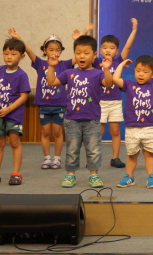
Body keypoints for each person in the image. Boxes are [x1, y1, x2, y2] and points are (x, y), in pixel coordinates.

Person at [10, 26, 87, 170]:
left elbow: (80, 56)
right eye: (51, 50)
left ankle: (57, 158)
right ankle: (47, 158)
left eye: (57, 50)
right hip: (43, 104)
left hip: (59, 104)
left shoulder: (65, 64)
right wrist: (18, 38)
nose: (54, 53)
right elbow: (29, 51)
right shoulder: (40, 64)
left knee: (58, 132)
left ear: (61, 51)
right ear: (45, 51)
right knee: (45, 132)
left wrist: (78, 40)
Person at [45, 35, 114, 188]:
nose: (82, 56)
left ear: (94, 55)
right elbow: (51, 82)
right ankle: (70, 174)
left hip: (92, 118)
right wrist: (52, 66)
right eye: (78, 53)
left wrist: (106, 69)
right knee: (72, 148)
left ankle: (94, 175)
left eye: (86, 53)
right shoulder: (69, 73)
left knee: (93, 149)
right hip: (72, 118)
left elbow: (108, 84)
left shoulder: (97, 73)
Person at [113, 56, 153, 189]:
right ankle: (129, 177)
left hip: (150, 127)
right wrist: (121, 65)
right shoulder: (130, 85)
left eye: (145, 72)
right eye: (138, 71)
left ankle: (150, 177)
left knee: (149, 154)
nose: (141, 74)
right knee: (132, 154)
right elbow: (115, 78)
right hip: (132, 127)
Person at [0, 38, 30, 186]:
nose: (9, 57)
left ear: (22, 57)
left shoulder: (22, 75)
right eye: (6, 53)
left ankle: (16, 173)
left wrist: (9, 109)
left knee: (14, 143)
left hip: (13, 115)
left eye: (13, 54)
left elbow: (24, 96)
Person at [99, 19, 138, 168]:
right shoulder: (96, 62)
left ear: (117, 51)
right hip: (99, 102)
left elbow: (128, 46)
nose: (108, 50)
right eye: (105, 48)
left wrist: (134, 30)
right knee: (98, 131)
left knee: (115, 131)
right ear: (100, 50)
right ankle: (94, 156)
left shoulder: (118, 62)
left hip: (115, 101)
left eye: (112, 48)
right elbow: (83, 52)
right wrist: (81, 36)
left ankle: (115, 158)